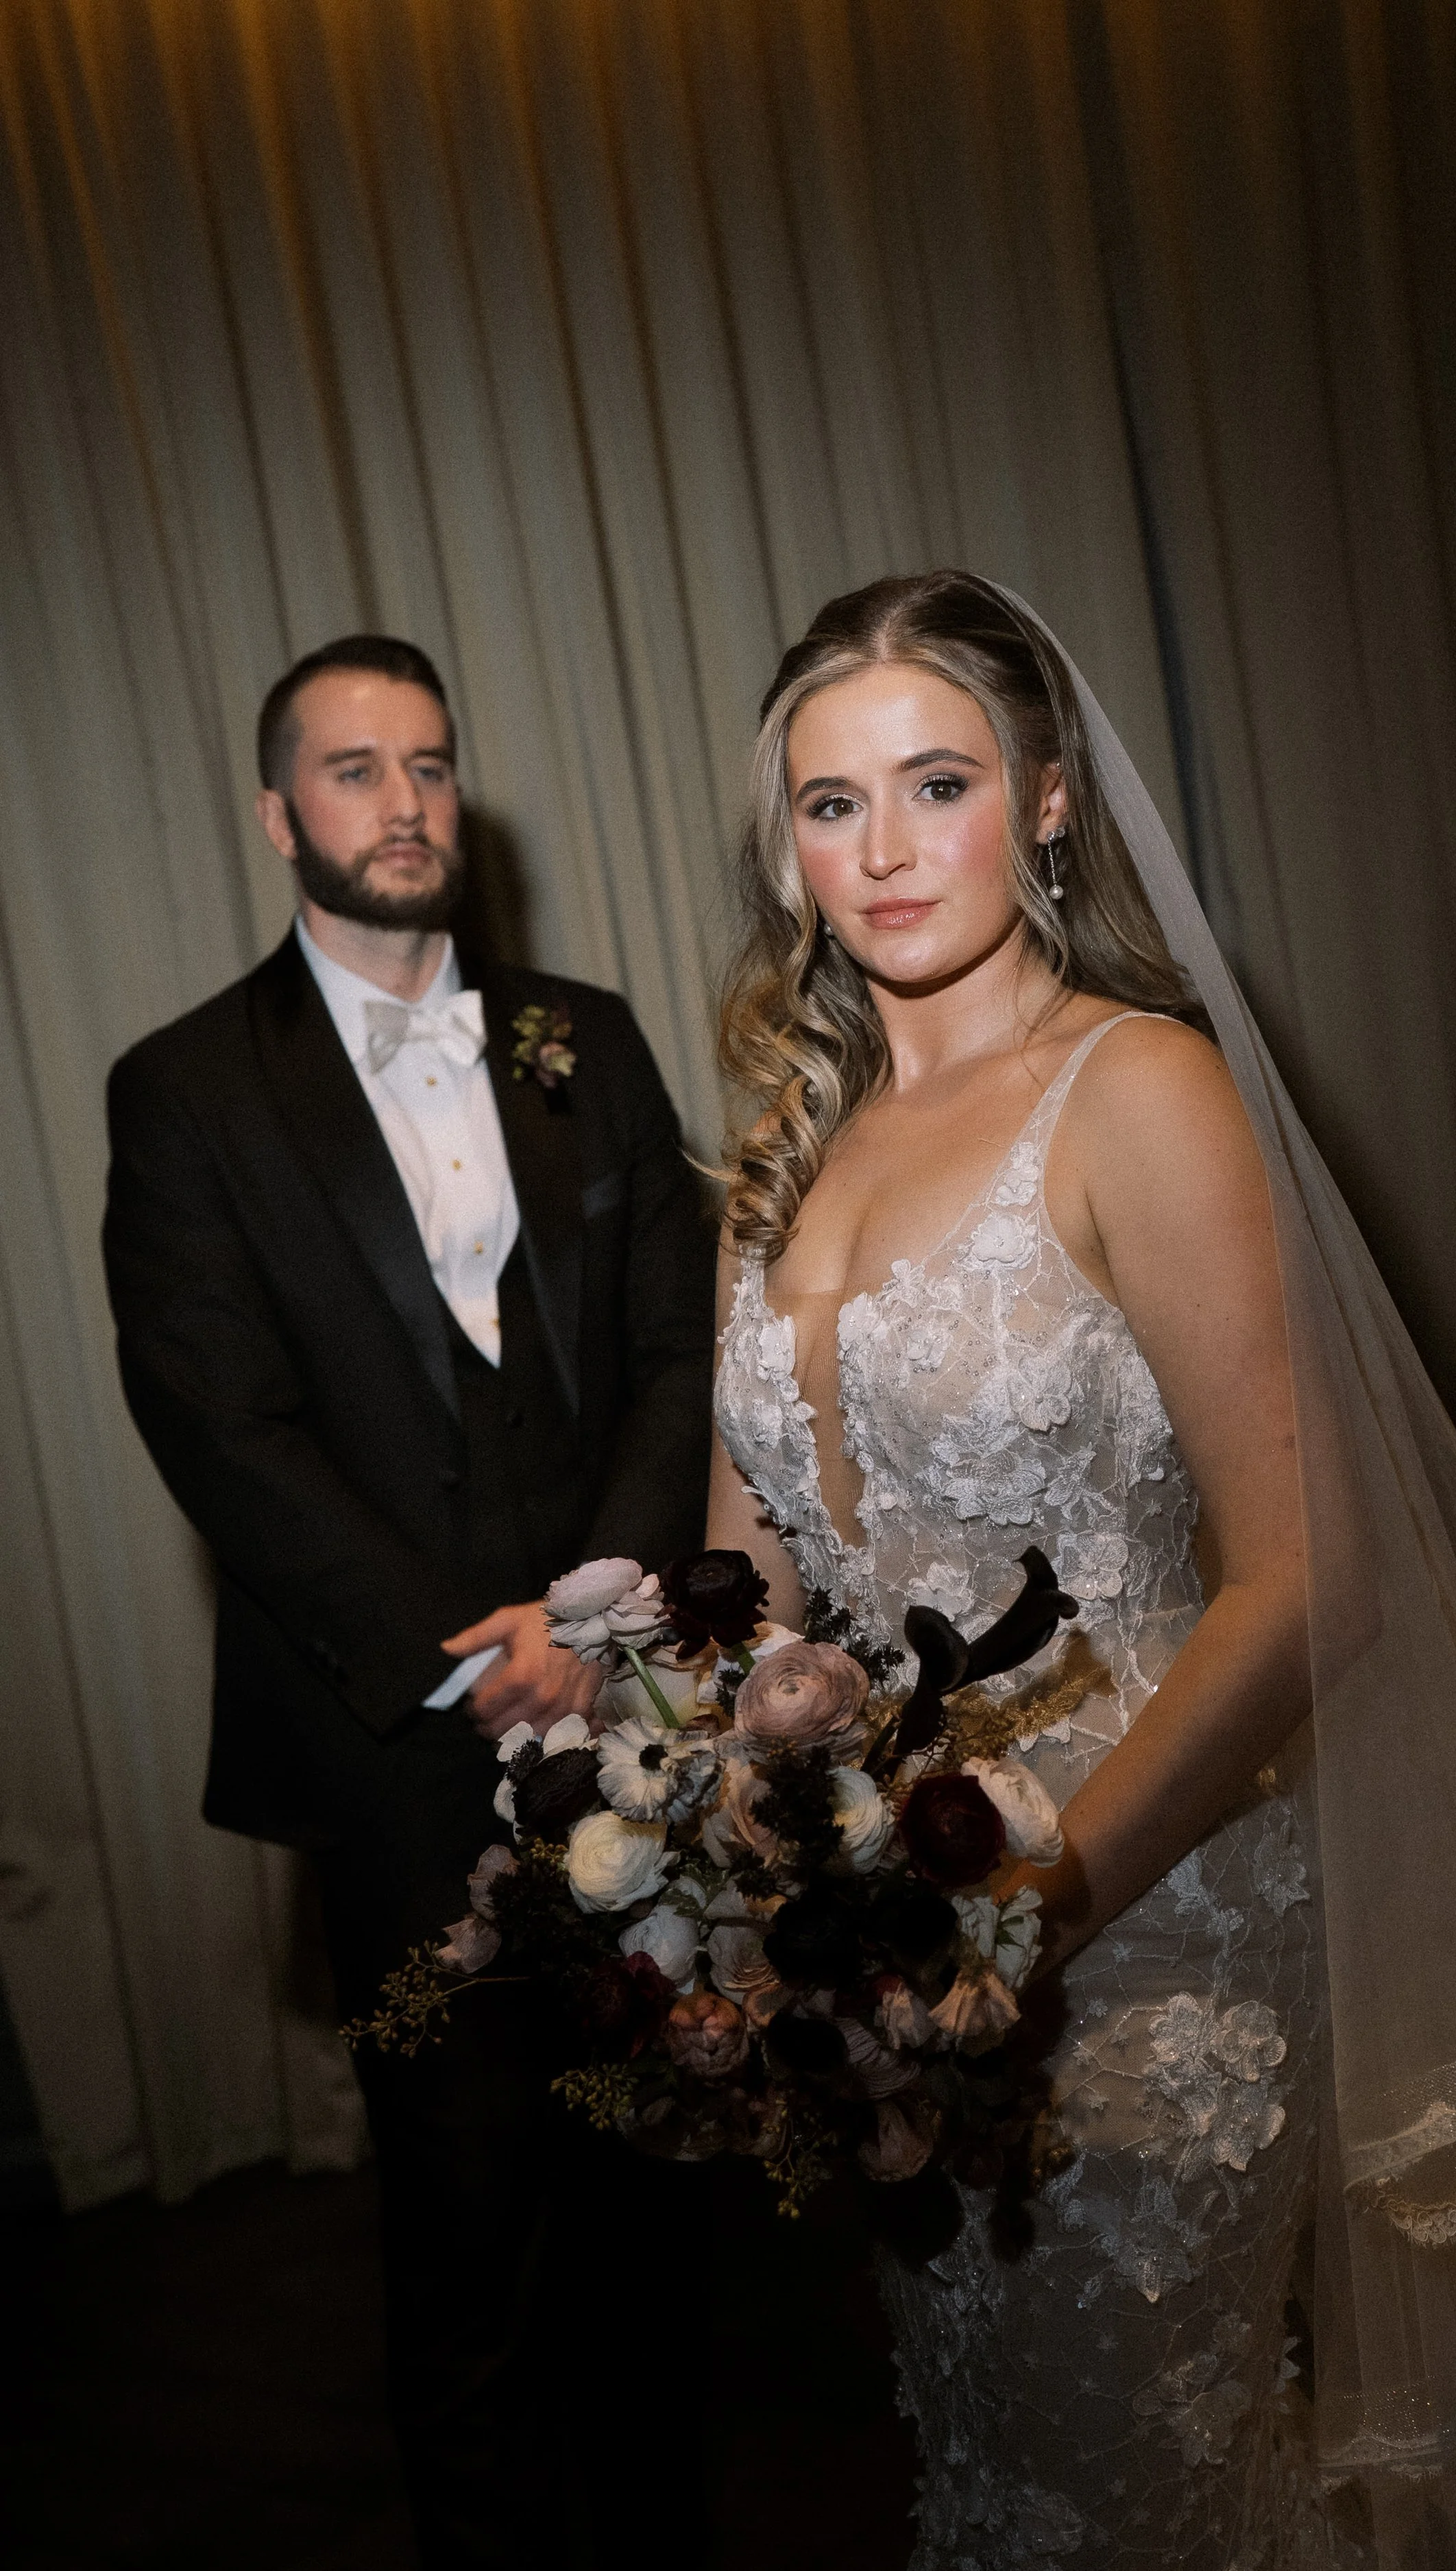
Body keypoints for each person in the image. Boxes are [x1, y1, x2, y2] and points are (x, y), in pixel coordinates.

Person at [707, 570, 1456, 2567]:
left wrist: (1027, 1917)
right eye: (831, 806)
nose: (885, 850)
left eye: (937, 782)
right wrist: (702, 1782)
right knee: (988, 2470)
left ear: (1052, 799)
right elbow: (748, 1589)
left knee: (1133, 2493)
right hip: (894, 1959)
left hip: (1150, 1924)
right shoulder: (780, 1147)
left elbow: (1306, 1584)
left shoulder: (1133, 1091)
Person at [102, 634, 714, 2568]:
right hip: (391, 1735)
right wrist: (469, 1662)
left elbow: (674, 1353)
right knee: (464, 2199)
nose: (406, 804)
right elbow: (218, 1420)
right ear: (280, 814)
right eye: (355, 770)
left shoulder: (588, 1038)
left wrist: (593, 1616)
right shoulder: (187, 1089)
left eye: (432, 764)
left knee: (647, 2158)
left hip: (624, 1695)